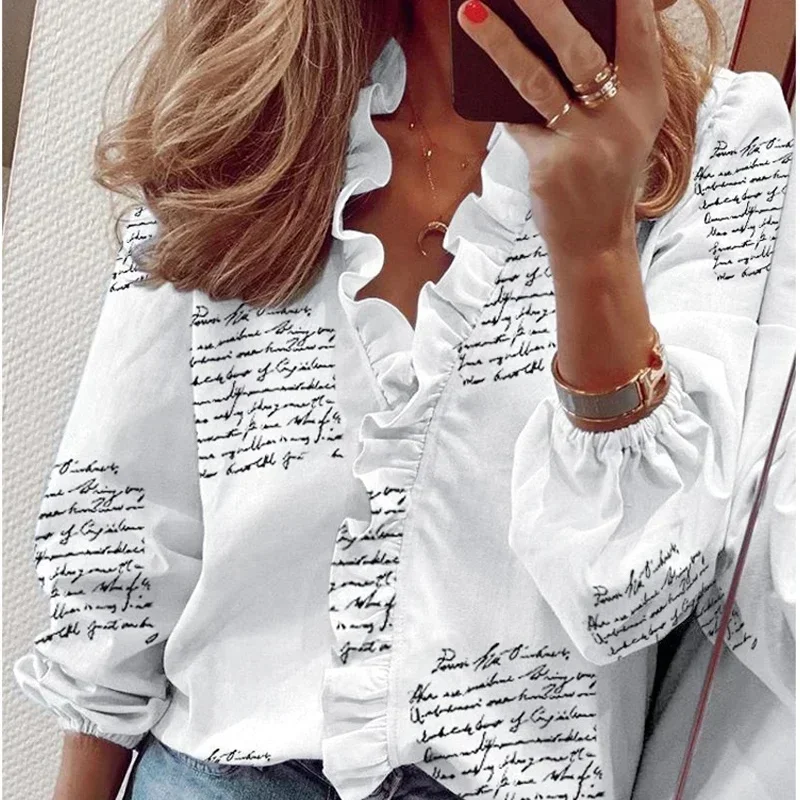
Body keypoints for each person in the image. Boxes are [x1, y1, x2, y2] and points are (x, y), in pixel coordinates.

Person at [12, 0, 795, 799]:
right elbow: (122, 520)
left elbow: (632, 598)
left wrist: (594, 251)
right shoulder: (248, 106)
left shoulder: (722, 145)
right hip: (217, 775)